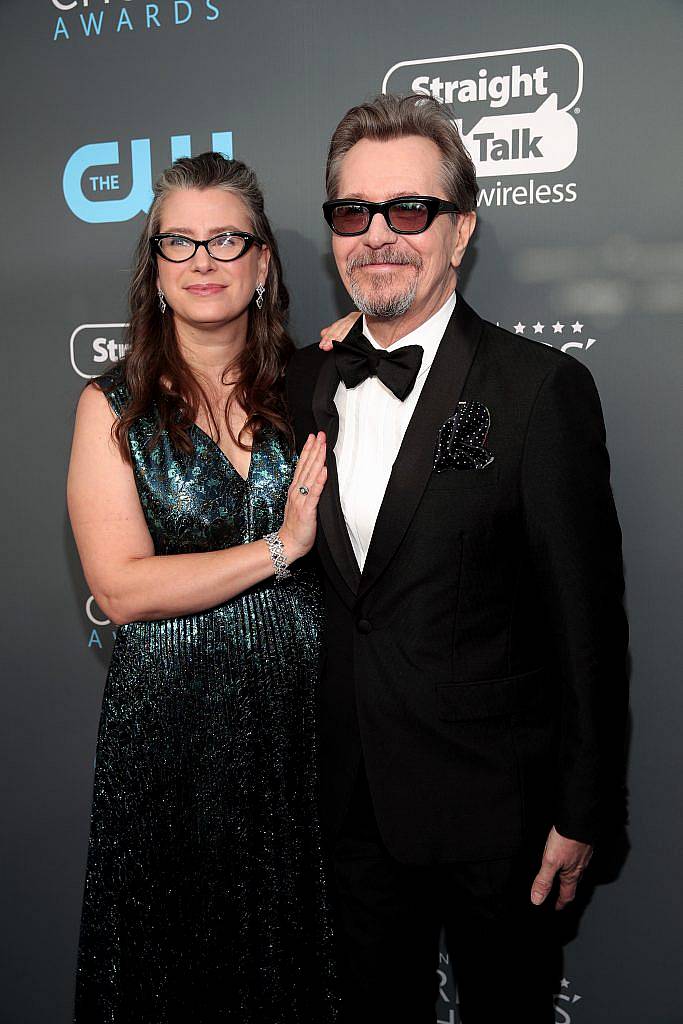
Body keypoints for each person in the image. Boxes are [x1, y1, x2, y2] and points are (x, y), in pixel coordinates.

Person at [286, 95, 629, 1023]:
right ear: (332, 234)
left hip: (499, 819)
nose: (378, 236)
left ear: (461, 228)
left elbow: (586, 623)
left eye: (410, 210)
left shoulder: (539, 390)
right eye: (353, 213)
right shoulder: (301, 380)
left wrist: (584, 808)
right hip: (350, 806)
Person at [67, 152, 336, 1024]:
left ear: (262, 263)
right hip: (172, 736)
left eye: (227, 239)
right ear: (154, 272)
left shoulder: (315, 386)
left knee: (300, 958)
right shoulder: (112, 406)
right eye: (178, 243)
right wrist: (280, 548)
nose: (203, 261)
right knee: (176, 966)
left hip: (304, 731)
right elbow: (122, 587)